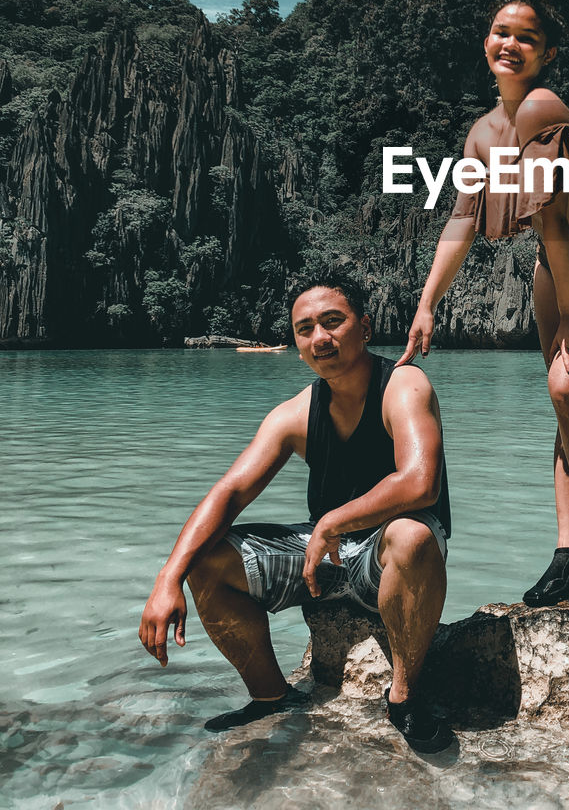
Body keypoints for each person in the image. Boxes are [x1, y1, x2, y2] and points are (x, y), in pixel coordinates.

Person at [398, 0, 569, 622]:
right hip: (554, 271)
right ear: (487, 41)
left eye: (527, 38)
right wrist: (428, 304)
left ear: (546, 56)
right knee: (568, 405)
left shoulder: (544, 112)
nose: (510, 44)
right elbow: (460, 221)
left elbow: (555, 220)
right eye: (500, 32)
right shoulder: (483, 133)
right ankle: (568, 549)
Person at [139, 271, 454, 752]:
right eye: (305, 329)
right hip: (321, 563)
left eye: (333, 322)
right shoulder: (295, 413)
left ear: (365, 328)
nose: (319, 338)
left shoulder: (403, 385)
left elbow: (420, 481)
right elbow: (230, 493)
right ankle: (270, 697)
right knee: (206, 560)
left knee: (412, 536)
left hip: (385, 554)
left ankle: (404, 699)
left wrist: (332, 521)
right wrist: (168, 577)